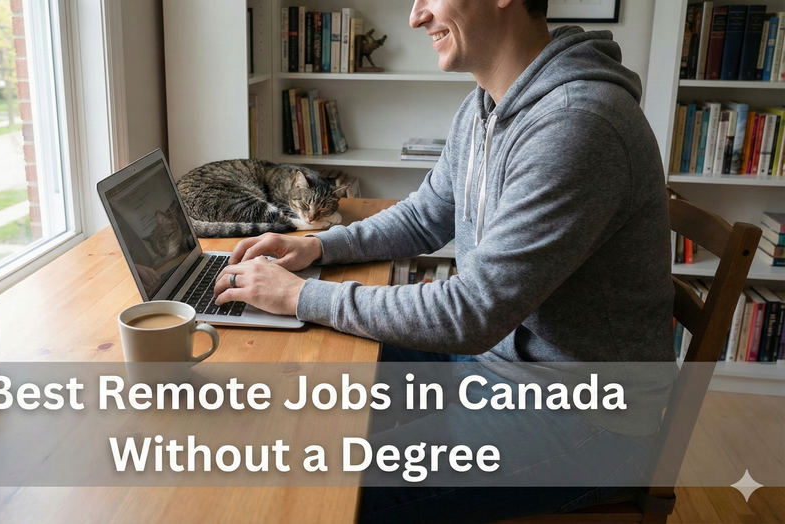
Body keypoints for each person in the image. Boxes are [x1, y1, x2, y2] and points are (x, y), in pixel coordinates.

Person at [214, 0, 676, 521]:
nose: (415, 17)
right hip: (495, 366)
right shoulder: (487, 103)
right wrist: (319, 246)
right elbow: (426, 214)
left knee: (315, 489)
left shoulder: (576, 123)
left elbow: (472, 312)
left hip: (583, 420)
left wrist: (299, 295)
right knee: (293, 391)